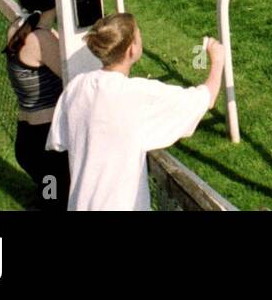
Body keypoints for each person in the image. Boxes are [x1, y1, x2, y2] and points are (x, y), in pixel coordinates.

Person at [46, 13, 225, 211]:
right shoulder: (138, 95)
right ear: (132, 49)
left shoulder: (76, 86)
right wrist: (217, 61)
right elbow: (204, 99)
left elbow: (58, 141)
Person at [5, 0, 70, 211]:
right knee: (56, 204)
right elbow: (76, 78)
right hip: (47, 145)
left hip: (28, 139)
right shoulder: (41, 39)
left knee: (50, 198)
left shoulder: (19, 26)